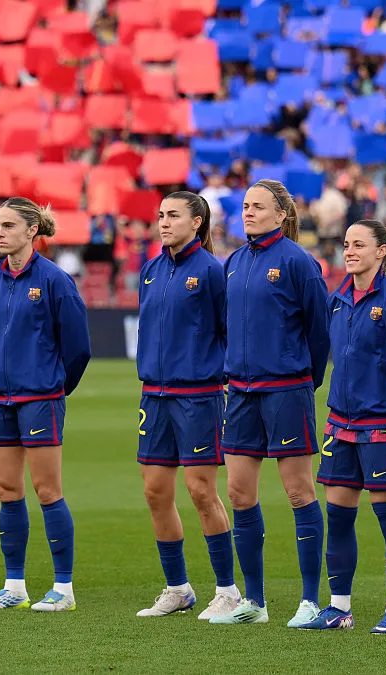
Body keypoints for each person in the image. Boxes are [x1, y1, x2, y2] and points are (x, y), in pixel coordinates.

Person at [302, 220, 386, 634]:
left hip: (381, 428)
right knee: (338, 518)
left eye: (359, 244)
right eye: (346, 244)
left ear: (381, 251)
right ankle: (340, 608)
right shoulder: (337, 299)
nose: (349, 251)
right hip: (339, 424)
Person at [210, 180, 331, 627]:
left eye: (257, 207)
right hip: (240, 392)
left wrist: (305, 380)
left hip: (286, 389)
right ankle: (255, 602)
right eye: (244, 206)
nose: (248, 212)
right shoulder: (235, 262)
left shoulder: (300, 262)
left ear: (282, 214)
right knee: (239, 493)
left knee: (299, 491)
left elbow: (320, 332)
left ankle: (309, 600)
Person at [0, 197, 91, 612]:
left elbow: (78, 349)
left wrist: (54, 388)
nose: (0, 233)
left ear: (31, 231)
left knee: (47, 491)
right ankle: (15, 587)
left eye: (8, 225)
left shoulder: (56, 280)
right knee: (8, 491)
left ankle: (64, 588)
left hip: (40, 399)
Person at [135, 192, 241, 619]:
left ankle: (229, 591)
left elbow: (230, 332)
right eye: (160, 215)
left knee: (201, 492)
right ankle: (178, 588)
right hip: (153, 396)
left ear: (197, 223)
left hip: (198, 396)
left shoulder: (213, 272)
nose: (163, 222)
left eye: (173, 215)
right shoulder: (151, 270)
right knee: (155, 492)